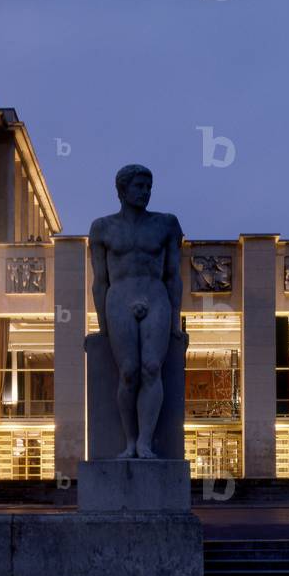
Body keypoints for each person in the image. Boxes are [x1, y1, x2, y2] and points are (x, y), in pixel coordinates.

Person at [89, 164, 183, 458]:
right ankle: (130, 442)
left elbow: (173, 276)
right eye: (139, 186)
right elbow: (100, 281)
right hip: (120, 298)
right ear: (122, 190)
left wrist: (176, 322)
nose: (145, 192)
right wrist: (103, 326)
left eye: (148, 187)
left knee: (152, 368)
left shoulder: (166, 224)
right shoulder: (102, 228)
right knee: (128, 371)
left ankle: (145, 441)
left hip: (155, 296)